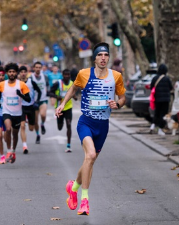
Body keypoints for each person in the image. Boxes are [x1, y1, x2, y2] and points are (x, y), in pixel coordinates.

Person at [55, 42, 126, 216]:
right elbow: (73, 88)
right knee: (91, 155)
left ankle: (74, 187)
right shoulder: (84, 74)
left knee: (90, 160)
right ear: (94, 58)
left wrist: (117, 104)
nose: (103, 58)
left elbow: (123, 98)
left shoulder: (116, 76)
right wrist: (62, 104)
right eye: (100, 55)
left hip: (103, 125)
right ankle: (84, 201)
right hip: (86, 122)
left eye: (106, 55)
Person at [0, 63, 30, 163]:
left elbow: (28, 99)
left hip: (17, 113)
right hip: (6, 111)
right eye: (10, 72)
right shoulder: (2, 84)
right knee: (7, 129)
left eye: (14, 72)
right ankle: (8, 150)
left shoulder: (21, 84)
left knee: (15, 134)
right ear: (7, 73)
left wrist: (20, 94)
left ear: (16, 73)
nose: (12, 73)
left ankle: (13, 151)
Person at [49, 69, 77, 152]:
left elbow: (73, 92)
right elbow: (50, 92)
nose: (67, 76)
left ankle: (68, 145)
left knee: (69, 124)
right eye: (65, 75)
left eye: (68, 75)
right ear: (63, 75)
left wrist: (74, 97)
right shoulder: (58, 83)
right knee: (60, 127)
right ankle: (59, 122)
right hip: (59, 108)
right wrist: (56, 96)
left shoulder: (72, 83)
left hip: (68, 107)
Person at [19, 66, 41, 154]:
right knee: (22, 126)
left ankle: (29, 122)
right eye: (21, 72)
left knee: (31, 128)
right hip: (21, 107)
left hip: (31, 106)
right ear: (19, 73)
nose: (23, 73)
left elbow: (39, 91)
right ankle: (25, 146)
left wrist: (37, 101)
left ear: (27, 73)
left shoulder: (31, 82)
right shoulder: (17, 83)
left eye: (25, 72)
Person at [150, 64, 173, 136]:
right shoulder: (167, 79)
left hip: (157, 99)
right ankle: (160, 129)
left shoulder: (155, 78)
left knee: (157, 112)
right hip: (165, 99)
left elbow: (151, 87)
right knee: (163, 114)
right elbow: (171, 88)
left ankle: (153, 125)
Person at [31, 61, 49, 144]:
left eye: (39, 67)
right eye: (36, 67)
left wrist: (48, 91)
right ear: (34, 68)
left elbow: (48, 85)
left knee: (43, 115)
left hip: (43, 99)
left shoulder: (44, 76)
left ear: (41, 68)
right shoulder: (31, 78)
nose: (38, 69)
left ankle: (42, 124)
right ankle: (38, 135)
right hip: (34, 101)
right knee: (35, 121)